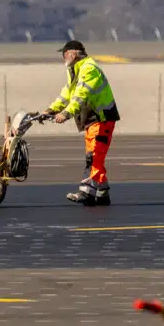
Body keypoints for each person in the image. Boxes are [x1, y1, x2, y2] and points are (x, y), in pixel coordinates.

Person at [42, 39, 121, 206]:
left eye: (64, 54)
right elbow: (67, 94)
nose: (63, 58)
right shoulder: (75, 70)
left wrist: (66, 114)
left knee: (94, 157)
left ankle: (86, 191)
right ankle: (101, 192)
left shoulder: (88, 69)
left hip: (101, 119)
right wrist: (51, 110)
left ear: (72, 54)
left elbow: (80, 95)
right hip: (92, 121)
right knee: (94, 156)